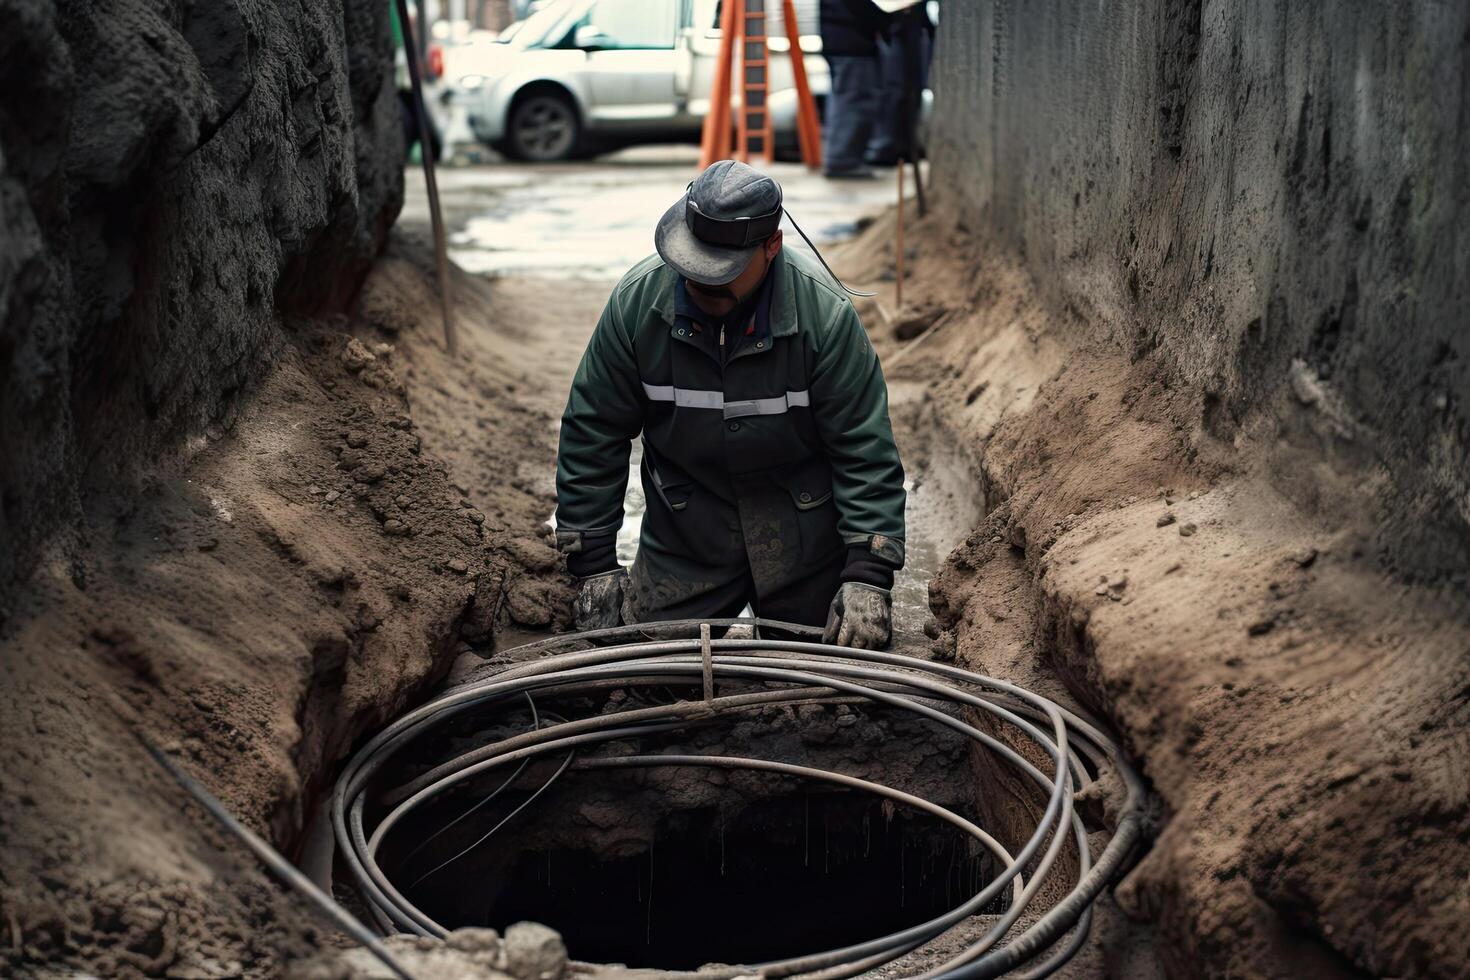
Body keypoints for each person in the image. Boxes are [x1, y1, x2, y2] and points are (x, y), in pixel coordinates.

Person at [554, 160, 906, 648]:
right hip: (688, 535)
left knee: (824, 674)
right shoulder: (637, 307)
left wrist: (869, 572)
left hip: (804, 539)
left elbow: (863, 449)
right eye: (692, 264)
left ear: (771, 246)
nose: (701, 282)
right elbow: (593, 430)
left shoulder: (824, 318)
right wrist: (591, 562)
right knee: (652, 669)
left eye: (721, 271)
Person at [819, 0, 893, 178]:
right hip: (851, 40)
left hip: (845, 37)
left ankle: (843, 158)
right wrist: (884, 23)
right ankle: (842, 160)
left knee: (848, 98)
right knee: (853, 100)